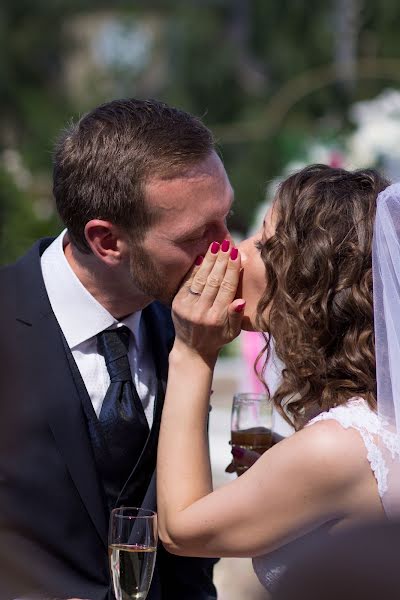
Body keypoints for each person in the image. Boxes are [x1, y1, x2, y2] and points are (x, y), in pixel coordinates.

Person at [0, 98, 234, 600]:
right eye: (198, 235)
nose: (226, 249)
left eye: (226, 219)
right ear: (107, 241)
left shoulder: (187, 329)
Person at [156, 164, 398, 593]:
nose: (238, 251)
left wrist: (194, 352)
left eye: (266, 244)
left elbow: (181, 530)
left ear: (313, 279)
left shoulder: (337, 445)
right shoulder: (373, 415)